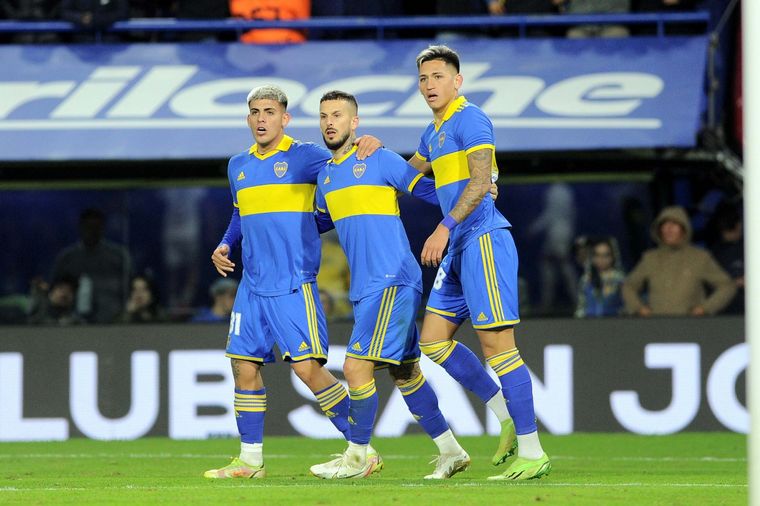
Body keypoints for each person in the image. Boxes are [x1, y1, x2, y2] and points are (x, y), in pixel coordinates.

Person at [203, 85, 381, 479]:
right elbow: (240, 213)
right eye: (255, 111)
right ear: (248, 118)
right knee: (243, 366)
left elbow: (347, 171)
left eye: (269, 111)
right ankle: (250, 461)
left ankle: (362, 450)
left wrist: (368, 144)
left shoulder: (306, 156)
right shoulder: (238, 165)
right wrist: (225, 243)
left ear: (285, 118)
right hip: (252, 284)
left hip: (292, 282)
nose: (261, 118)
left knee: (307, 370)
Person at [308, 91, 469, 480]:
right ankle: (451, 452)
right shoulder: (326, 177)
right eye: (324, 116)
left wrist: (473, 193)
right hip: (366, 287)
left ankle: (358, 457)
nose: (330, 122)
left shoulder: (378, 158)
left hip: (392, 278)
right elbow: (317, 223)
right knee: (405, 372)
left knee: (354, 366)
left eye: (338, 115)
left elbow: (430, 191)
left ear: (354, 123)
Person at [408, 45, 550, 481]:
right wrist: (370, 154)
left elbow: (481, 180)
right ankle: (505, 414)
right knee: (433, 341)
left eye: (438, 76)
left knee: (498, 347)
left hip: (483, 238)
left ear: (457, 81)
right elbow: (407, 177)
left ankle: (533, 452)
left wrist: (444, 225)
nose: (429, 85)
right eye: (423, 78)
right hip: (459, 246)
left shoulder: (471, 118)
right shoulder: (432, 133)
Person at [622, 205, 736, 316]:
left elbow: (727, 286)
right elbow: (629, 286)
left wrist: (705, 308)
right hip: (657, 326)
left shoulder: (699, 257)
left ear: (684, 228)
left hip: (689, 326)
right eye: (664, 224)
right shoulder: (650, 258)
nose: (668, 229)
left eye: (674, 224)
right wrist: (639, 308)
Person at [51, 208, 132, 324]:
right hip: (73, 323)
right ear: (81, 228)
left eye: (96, 227)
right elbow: (56, 291)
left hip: (114, 321)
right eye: (88, 227)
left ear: (103, 228)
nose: (92, 231)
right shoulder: (67, 258)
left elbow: (130, 289)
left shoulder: (118, 256)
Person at [574, 236, 625, 318]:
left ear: (613, 256)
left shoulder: (619, 279)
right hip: (589, 323)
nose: (601, 259)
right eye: (597, 255)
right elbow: (581, 308)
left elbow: (626, 307)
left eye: (606, 255)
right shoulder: (586, 279)